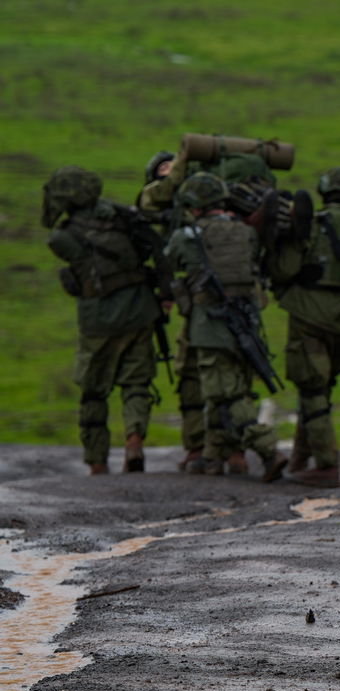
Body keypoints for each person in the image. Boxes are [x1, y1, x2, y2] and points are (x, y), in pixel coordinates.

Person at [164, 173, 287, 481]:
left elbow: (170, 261)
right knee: (230, 391)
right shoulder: (246, 233)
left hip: (210, 326)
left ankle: (268, 450)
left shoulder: (188, 235)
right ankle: (214, 457)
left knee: (225, 395)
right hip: (246, 323)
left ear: (194, 205)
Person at [43, 166, 164, 474]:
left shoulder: (62, 237)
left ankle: (97, 462)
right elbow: (153, 246)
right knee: (136, 383)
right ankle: (134, 441)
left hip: (98, 320)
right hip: (139, 310)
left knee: (94, 390)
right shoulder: (123, 217)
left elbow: (74, 275)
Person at [268, 167, 340, 488]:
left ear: (324, 192)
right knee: (321, 389)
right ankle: (302, 457)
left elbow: (287, 269)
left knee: (312, 387)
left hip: (308, 313)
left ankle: (327, 465)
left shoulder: (314, 225)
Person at [138, 149, 205, 470]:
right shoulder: (154, 196)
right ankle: (197, 446)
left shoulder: (203, 193)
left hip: (212, 289)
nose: (170, 170)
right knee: (189, 368)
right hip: (181, 287)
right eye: (163, 166)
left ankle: (225, 449)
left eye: (174, 165)